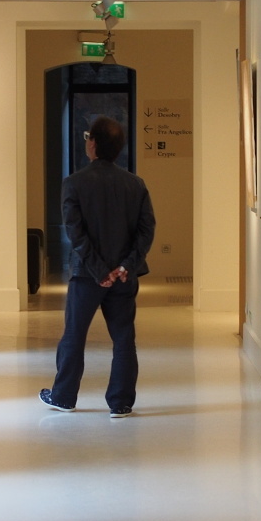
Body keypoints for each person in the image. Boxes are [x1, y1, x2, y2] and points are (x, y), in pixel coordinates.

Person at [40, 115, 156, 418]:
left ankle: (64, 396)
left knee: (74, 335)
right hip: (123, 277)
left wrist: (98, 269)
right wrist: (125, 266)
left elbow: (75, 233)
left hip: (86, 275)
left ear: (92, 144)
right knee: (123, 338)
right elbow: (146, 231)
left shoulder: (74, 183)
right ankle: (121, 402)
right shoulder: (135, 185)